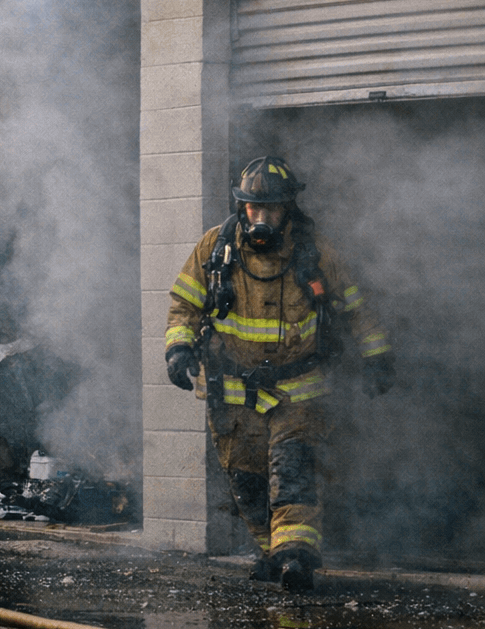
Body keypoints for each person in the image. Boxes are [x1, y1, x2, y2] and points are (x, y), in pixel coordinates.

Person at [164, 156, 393, 592]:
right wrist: (178, 348)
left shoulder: (316, 253)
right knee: (247, 483)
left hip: (298, 392)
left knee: (292, 473)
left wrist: (377, 355)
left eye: (271, 209)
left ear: (288, 208)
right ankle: (272, 551)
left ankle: (296, 559)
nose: (262, 218)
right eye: (254, 208)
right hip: (233, 394)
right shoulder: (215, 249)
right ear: (242, 206)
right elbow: (184, 306)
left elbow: (355, 308)